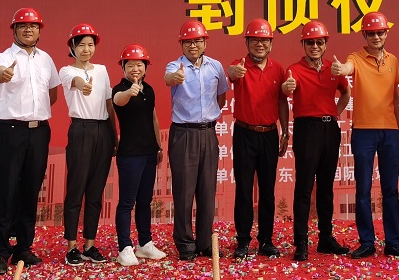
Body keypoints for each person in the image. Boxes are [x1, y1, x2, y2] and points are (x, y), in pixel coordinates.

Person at [331, 11, 399, 259]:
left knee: (390, 190)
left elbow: (395, 98)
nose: (376, 37)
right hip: (363, 132)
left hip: (389, 131)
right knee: (363, 189)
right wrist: (340, 69)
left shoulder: (393, 60)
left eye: (380, 33)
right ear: (364, 35)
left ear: (386, 33)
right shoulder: (355, 58)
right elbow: (347, 68)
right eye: (371, 33)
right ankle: (367, 242)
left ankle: (393, 242)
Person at [0, 7, 62, 276]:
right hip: (11, 131)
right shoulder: (4, 57)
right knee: (6, 191)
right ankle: (0, 252)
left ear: (39, 30)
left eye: (33, 25)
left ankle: (23, 248)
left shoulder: (46, 59)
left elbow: (52, 93)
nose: (28, 29)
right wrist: (4, 74)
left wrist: (36, 113)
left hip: (39, 131)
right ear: (14, 30)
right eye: (22, 25)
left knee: (31, 191)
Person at [282, 20, 351, 262]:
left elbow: (345, 92)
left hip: (329, 129)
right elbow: (285, 90)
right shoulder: (294, 69)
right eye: (310, 42)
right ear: (303, 44)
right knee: (304, 187)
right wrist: (287, 87)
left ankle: (325, 238)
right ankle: (301, 241)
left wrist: (334, 114)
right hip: (306, 129)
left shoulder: (334, 68)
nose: (314, 46)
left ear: (325, 44)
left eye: (319, 42)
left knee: (326, 186)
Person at [164, 21, 228, 260]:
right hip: (184, 133)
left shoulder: (215, 66)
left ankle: (205, 242)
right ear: (181, 44)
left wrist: (209, 117)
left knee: (207, 190)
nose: (193, 45)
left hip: (208, 133)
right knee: (184, 191)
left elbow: (221, 97)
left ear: (205, 43)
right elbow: (169, 79)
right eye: (188, 42)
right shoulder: (174, 65)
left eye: (198, 41)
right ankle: (185, 243)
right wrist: (176, 77)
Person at [227, 18, 289, 259]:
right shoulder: (239, 65)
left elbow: (282, 102)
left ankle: (266, 240)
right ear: (247, 43)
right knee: (244, 189)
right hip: (244, 134)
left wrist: (285, 131)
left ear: (271, 44)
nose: (259, 44)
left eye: (264, 40)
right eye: (254, 40)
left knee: (267, 190)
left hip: (269, 135)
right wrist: (233, 73)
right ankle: (243, 240)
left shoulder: (278, 69)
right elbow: (231, 74)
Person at [59, 23, 117, 265]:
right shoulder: (66, 71)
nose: (86, 49)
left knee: (95, 191)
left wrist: (114, 135)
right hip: (81, 130)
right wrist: (83, 85)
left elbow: (109, 103)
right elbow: (75, 82)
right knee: (76, 189)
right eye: (81, 45)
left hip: (103, 130)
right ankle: (72, 246)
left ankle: (90, 245)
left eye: (90, 44)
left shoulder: (102, 70)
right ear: (72, 47)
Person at [112, 44, 167, 266]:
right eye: (130, 65)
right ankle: (124, 247)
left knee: (145, 201)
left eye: (139, 65)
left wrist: (158, 147)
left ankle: (145, 244)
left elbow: (154, 119)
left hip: (149, 153)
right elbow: (118, 100)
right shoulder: (120, 89)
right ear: (123, 67)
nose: (135, 69)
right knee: (127, 202)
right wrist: (129, 92)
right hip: (130, 154)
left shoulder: (149, 89)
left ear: (146, 67)